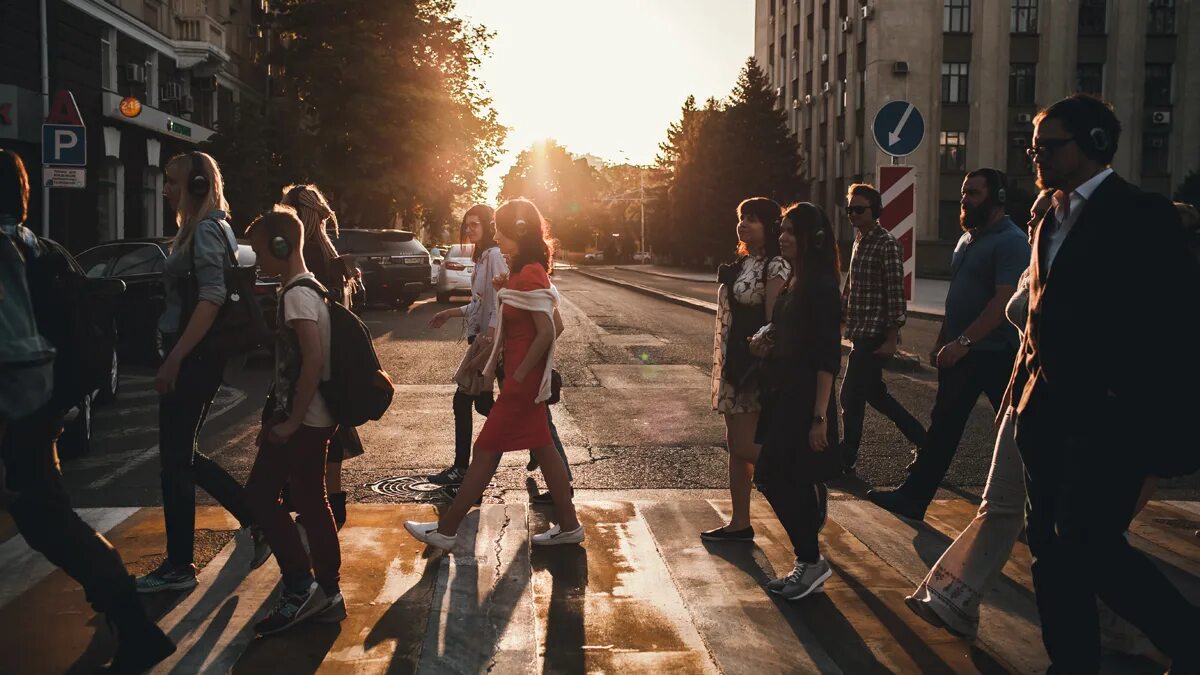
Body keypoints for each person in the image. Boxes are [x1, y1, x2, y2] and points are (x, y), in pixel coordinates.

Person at [1013, 93, 1200, 672]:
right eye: (1034, 146)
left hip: (1110, 420)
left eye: (1051, 145)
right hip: (1044, 413)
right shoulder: (1047, 213)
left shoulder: (1141, 214)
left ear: (1094, 144)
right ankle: (1071, 662)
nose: (1037, 155)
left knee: (1090, 545)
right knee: (1047, 544)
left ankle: (1188, 639)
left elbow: (1176, 319)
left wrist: (1126, 394)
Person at [0, 149, 176, 672]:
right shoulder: (35, 245)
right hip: (38, 407)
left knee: (49, 523)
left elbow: (17, 345)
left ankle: (136, 627)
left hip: (18, 411)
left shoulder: (7, 249)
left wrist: (21, 415)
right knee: (49, 522)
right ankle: (134, 625)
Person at [405, 198, 582, 548]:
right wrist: (508, 291)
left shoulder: (530, 272)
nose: (497, 236)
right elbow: (551, 321)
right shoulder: (524, 271)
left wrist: (519, 375)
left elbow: (549, 330)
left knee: (485, 451)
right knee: (544, 451)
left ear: (518, 230)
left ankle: (447, 530)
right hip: (522, 380)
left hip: (520, 383)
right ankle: (570, 525)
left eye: (501, 229)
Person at [137, 152, 266, 593]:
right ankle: (257, 520)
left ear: (196, 185)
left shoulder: (208, 229)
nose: (166, 189)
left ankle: (178, 566)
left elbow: (211, 298)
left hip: (192, 357)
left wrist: (175, 358)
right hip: (193, 356)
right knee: (182, 455)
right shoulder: (205, 227)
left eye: (173, 182)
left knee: (175, 460)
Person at [869, 169, 1030, 520]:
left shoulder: (1012, 241)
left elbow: (1004, 301)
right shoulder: (968, 239)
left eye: (973, 193)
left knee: (1020, 433)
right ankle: (913, 499)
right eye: (963, 193)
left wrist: (963, 341)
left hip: (997, 353)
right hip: (963, 352)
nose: (964, 200)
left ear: (998, 197)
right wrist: (945, 338)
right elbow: (960, 296)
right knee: (943, 426)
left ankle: (1039, 510)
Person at [244, 206, 344, 635]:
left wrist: (290, 422)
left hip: (304, 420)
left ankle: (305, 587)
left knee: (266, 499)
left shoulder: (298, 295)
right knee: (307, 501)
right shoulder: (308, 289)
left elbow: (311, 361)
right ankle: (323, 590)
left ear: (282, 246)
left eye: (261, 251)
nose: (258, 259)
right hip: (305, 418)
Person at [751, 202, 843, 600]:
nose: (783, 236)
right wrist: (765, 345)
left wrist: (820, 417)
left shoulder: (820, 285)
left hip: (805, 400)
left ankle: (810, 561)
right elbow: (791, 335)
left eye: (790, 231)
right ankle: (808, 559)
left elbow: (827, 357)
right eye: (782, 230)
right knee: (779, 476)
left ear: (812, 238)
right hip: (784, 392)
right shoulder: (796, 279)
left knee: (772, 476)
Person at [704, 198, 790, 542]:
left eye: (752, 220)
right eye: (742, 218)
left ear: (769, 226)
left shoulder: (776, 265)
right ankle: (740, 522)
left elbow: (773, 322)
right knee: (734, 445)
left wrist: (765, 364)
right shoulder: (744, 263)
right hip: (731, 361)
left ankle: (798, 480)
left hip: (753, 367)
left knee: (744, 445)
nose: (744, 225)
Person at [280, 183, 360, 530]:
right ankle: (331, 501)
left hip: (314, 357)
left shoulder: (307, 253)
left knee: (303, 430)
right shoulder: (326, 248)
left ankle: (315, 505)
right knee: (331, 432)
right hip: (334, 358)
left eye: (284, 208)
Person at [839, 184, 926, 473]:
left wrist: (891, 339)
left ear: (875, 211)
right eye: (850, 209)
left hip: (875, 334)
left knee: (850, 394)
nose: (853, 214)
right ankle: (925, 442)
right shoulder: (859, 240)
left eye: (859, 209)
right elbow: (852, 285)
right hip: (860, 330)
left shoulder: (886, 243)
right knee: (875, 395)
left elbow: (895, 293)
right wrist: (841, 317)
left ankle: (846, 458)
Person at [427, 205, 504, 485]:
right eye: (466, 225)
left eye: (475, 224)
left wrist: (490, 338)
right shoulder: (482, 256)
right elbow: (478, 303)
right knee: (484, 404)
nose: (469, 229)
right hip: (481, 338)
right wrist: (450, 313)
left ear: (488, 225)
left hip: (487, 341)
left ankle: (462, 468)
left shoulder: (494, 255)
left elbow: (499, 301)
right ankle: (532, 440)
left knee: (463, 402)